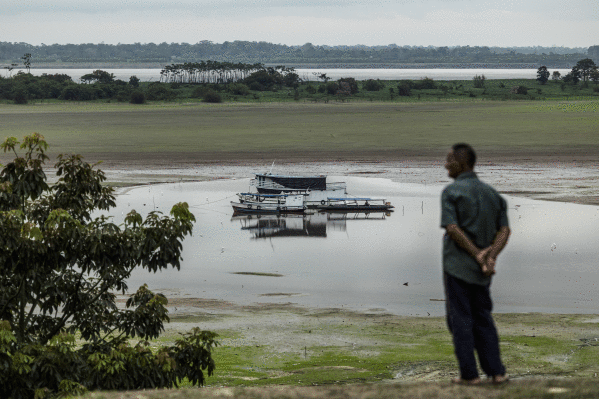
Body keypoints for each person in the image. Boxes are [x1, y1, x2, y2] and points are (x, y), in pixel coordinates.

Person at [440, 143, 511, 385]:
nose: (445, 164)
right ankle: (497, 372)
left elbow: (452, 228)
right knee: (483, 317)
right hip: (483, 272)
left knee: (459, 319)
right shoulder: (493, 194)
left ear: (461, 163)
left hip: (457, 268)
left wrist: (477, 254)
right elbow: (504, 230)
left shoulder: (451, 192)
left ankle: (470, 375)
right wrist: (490, 256)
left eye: (449, 160)